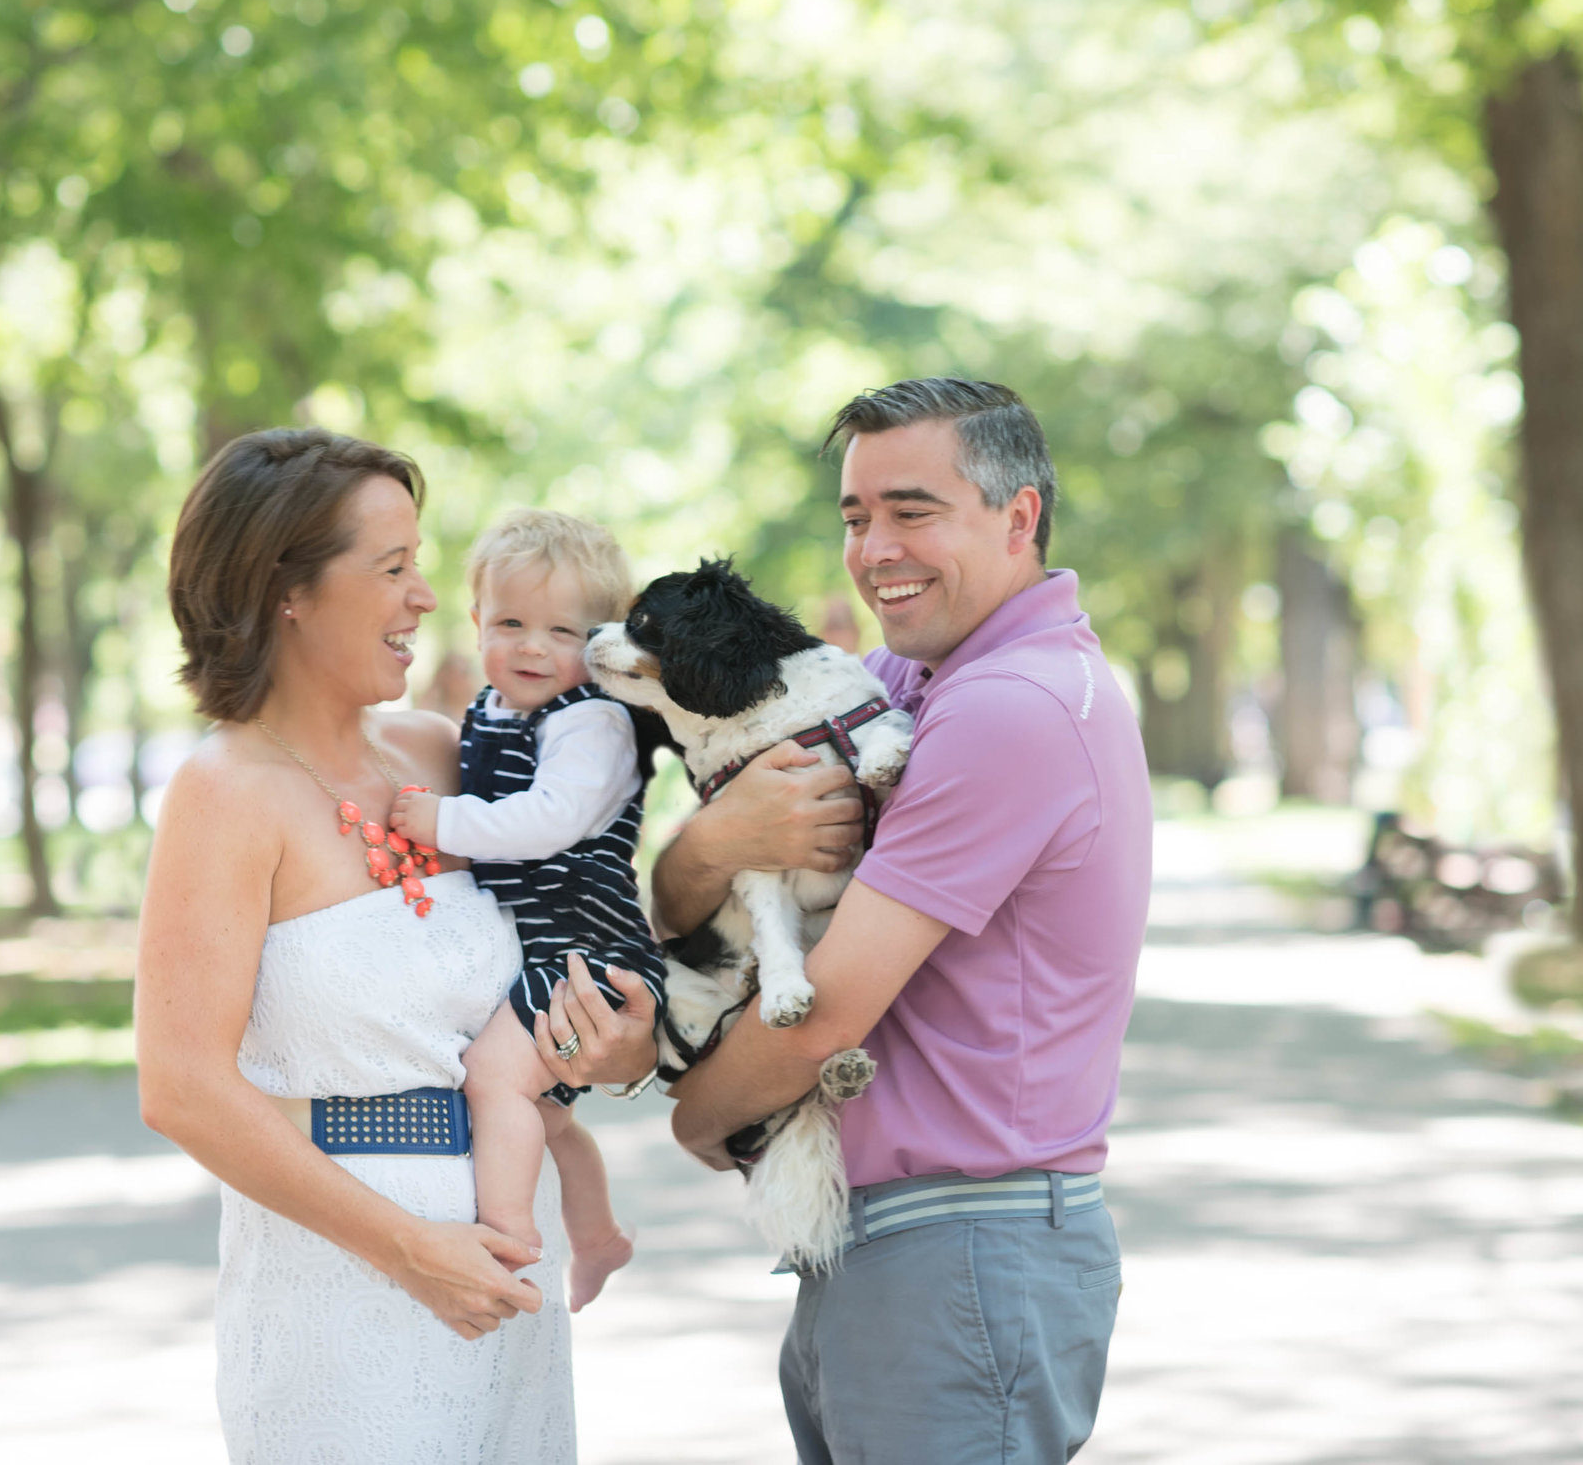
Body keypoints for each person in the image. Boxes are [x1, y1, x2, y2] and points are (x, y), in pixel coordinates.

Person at [133, 429, 661, 1465]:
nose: (427, 596)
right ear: (289, 589)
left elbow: (567, 927)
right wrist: (412, 1250)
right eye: (393, 567)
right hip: (345, 1292)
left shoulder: (442, 749)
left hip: (503, 1278)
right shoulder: (224, 790)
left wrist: (620, 1052)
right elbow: (181, 1086)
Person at [657, 378, 1152, 1465]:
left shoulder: (1007, 706)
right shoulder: (907, 680)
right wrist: (707, 842)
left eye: (911, 510)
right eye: (854, 516)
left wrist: (698, 1120)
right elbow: (697, 881)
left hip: (961, 1248)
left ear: (1017, 517)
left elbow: (824, 1012)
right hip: (892, 1246)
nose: (874, 547)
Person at [388, 509, 668, 1312]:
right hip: (548, 943)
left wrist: (441, 822)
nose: (535, 647)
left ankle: (505, 1242)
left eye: (564, 631)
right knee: (541, 1111)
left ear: (606, 643)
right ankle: (600, 1236)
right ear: (476, 620)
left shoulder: (593, 722)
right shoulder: (490, 710)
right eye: (510, 622)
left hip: (587, 947)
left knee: (495, 1078)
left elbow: (548, 820)